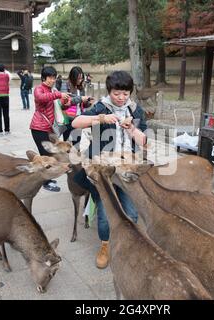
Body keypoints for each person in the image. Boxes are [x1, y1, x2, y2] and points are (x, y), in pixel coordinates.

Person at [71, 70, 147, 269]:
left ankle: (127, 244)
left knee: (131, 212)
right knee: (105, 213)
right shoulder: (101, 107)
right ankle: (105, 245)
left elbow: (144, 142)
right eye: (116, 93)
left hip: (126, 168)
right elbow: (75, 122)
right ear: (109, 91)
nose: (121, 98)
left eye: (125, 94)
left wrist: (131, 129)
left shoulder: (135, 110)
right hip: (102, 170)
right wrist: (101, 119)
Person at [30, 66, 69, 192]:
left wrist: (65, 102)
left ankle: (48, 178)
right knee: (46, 155)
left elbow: (56, 106)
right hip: (38, 128)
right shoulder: (38, 89)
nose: (52, 80)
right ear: (43, 78)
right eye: (50, 78)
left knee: (51, 154)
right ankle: (45, 181)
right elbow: (41, 98)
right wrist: (57, 94)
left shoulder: (52, 90)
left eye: (54, 77)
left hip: (49, 128)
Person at [62, 66, 94, 145]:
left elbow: (81, 105)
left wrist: (88, 102)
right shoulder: (65, 86)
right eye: (78, 78)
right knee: (67, 142)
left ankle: (76, 156)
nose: (80, 80)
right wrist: (80, 99)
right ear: (73, 77)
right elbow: (64, 102)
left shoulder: (81, 88)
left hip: (79, 117)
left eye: (81, 78)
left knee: (77, 142)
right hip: (68, 118)